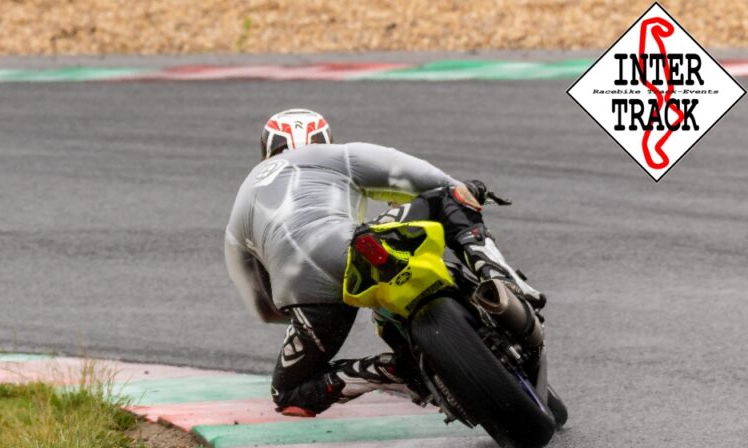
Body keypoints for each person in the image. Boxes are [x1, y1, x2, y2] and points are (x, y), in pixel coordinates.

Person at [224, 108, 543, 417]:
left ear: (265, 150)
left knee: (289, 394)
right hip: (352, 246)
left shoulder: (242, 199)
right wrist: (467, 189)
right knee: (449, 196)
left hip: (306, 295)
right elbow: (409, 173)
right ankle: (502, 279)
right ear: (325, 139)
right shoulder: (334, 155)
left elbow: (261, 304)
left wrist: (298, 309)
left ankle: (393, 370)